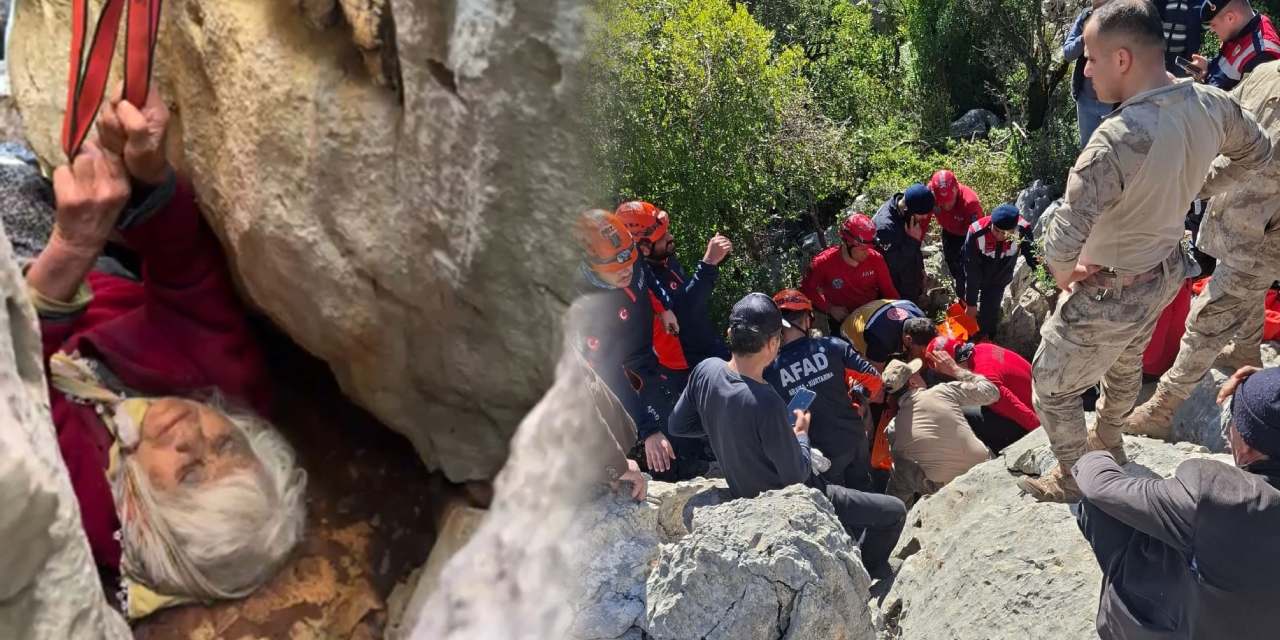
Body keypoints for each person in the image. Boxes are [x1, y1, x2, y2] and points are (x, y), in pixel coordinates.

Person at [27, 88, 306, 618]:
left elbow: (11, 392)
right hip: (87, 271)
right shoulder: (230, 390)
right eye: (227, 446)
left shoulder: (83, 506)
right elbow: (187, 274)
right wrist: (147, 172)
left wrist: (68, 254)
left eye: (190, 475)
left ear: (144, 513)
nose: (193, 436)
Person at [1020, 0, 1272, 503]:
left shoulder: (1115, 140)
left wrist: (1070, 275)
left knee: (1049, 385)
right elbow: (1259, 150)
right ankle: (1110, 440)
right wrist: (1200, 185)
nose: (1084, 69)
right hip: (1163, 272)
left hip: (1112, 284)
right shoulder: (1209, 103)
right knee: (1125, 360)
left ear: (1122, 60)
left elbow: (1061, 243)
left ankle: (1076, 476)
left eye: (1090, 57)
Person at [669, 293, 906, 573]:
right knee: (894, 512)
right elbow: (797, 474)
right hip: (794, 499)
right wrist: (800, 433)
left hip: (746, 496)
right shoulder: (764, 400)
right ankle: (869, 571)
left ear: (730, 333)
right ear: (772, 343)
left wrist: (724, 427)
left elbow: (678, 426)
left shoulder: (705, 370)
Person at [1126, 60, 1280, 439]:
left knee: (1208, 315)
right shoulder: (1267, 72)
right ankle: (1246, 351)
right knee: (1249, 294)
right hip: (1237, 220)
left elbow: (1258, 164)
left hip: (1262, 231)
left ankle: (1164, 407)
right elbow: (1227, 112)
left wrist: (1191, 184)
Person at [1073, 365, 1280, 639]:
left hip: (1190, 629)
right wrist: (1267, 385)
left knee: (1097, 507)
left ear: (1246, 446)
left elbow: (1101, 487)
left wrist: (1093, 453)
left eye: (1233, 422)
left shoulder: (1218, 494)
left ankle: (1120, 625)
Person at [572, 209, 704, 482]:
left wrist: (662, 308)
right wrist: (647, 429)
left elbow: (648, 279)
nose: (627, 271)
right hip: (624, 369)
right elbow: (607, 374)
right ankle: (673, 482)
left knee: (679, 413)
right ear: (592, 265)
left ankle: (693, 460)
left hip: (647, 351)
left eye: (630, 262)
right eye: (616, 268)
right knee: (661, 431)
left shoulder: (631, 260)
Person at [764, 289, 883, 491]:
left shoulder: (770, 370)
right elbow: (874, 380)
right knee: (864, 490)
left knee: (836, 502)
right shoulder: (833, 346)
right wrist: (858, 397)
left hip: (819, 452)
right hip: (852, 436)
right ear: (808, 320)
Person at [615, 200, 732, 382]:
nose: (670, 237)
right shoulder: (640, 281)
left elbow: (686, 296)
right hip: (687, 365)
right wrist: (708, 264)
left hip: (705, 342)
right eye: (662, 237)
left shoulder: (664, 259)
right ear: (644, 249)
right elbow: (681, 312)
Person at [881, 354, 998, 504]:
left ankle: (900, 514)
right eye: (917, 374)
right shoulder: (942, 391)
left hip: (950, 492)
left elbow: (903, 473)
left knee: (904, 469)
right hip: (985, 469)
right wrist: (956, 370)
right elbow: (992, 393)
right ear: (912, 382)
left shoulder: (893, 428)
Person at [926, 337, 1039, 454]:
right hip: (1036, 397)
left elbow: (1018, 410)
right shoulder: (983, 348)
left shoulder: (987, 378)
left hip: (1034, 417)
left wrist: (1042, 435)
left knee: (966, 413)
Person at [800, 212, 898, 332]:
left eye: (870, 248)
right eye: (863, 249)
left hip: (872, 316)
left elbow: (889, 291)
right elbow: (807, 289)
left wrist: (899, 314)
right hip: (842, 322)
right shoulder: (823, 263)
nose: (867, 253)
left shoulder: (876, 259)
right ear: (848, 243)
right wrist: (830, 308)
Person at [961, 203, 1036, 340]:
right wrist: (971, 303)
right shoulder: (976, 232)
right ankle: (964, 330)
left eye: (1006, 233)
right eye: (996, 230)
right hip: (977, 268)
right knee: (963, 298)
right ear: (991, 223)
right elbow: (971, 270)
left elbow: (1033, 256)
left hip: (999, 278)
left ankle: (985, 337)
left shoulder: (1023, 230)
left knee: (989, 313)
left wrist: (1048, 277)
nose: (1000, 236)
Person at [1186, 0, 1280, 91]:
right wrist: (1208, 66)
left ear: (1230, 18)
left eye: (1213, 25)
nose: (1212, 31)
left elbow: (1243, 105)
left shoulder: (1261, 56)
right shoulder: (1240, 27)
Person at [927, 170, 984, 302]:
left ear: (957, 191)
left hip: (966, 236)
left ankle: (968, 296)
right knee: (951, 261)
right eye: (942, 202)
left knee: (964, 268)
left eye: (950, 201)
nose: (946, 206)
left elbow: (977, 234)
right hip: (948, 231)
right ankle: (959, 288)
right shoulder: (930, 192)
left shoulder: (970, 203)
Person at [1065, 0, 1117, 146]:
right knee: (1088, 150)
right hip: (1085, 101)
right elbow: (1068, 53)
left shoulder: (1121, 20)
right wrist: (1087, 34)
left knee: (1112, 151)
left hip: (1113, 103)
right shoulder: (1085, 16)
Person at [873, 184, 936, 304]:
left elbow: (912, 251)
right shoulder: (885, 227)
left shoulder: (906, 213)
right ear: (908, 209)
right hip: (896, 293)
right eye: (922, 214)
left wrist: (920, 271)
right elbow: (892, 266)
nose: (925, 217)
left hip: (910, 281)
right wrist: (912, 241)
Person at [1157, 0, 1205, 77]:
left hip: (1182, 58)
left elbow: (1203, 27)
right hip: (1161, 54)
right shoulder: (1163, 2)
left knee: (1180, 84)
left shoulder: (1197, 4)